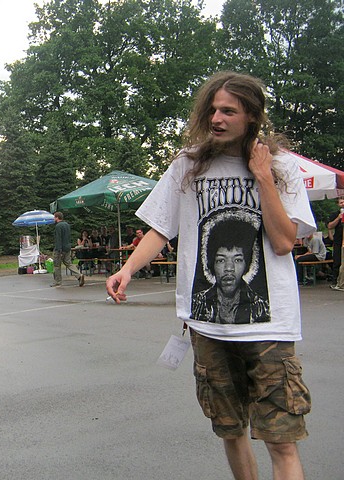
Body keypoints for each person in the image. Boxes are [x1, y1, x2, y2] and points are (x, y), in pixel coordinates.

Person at [106, 72, 313, 479]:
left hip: (269, 329)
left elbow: (284, 242)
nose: (216, 119)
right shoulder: (187, 165)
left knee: (281, 441)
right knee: (230, 431)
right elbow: (160, 228)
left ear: (252, 116)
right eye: (213, 110)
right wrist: (127, 269)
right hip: (207, 327)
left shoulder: (281, 166)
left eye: (228, 111)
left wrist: (263, 175)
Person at [51, 212, 85, 287]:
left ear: (57, 217)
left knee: (57, 265)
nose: (54, 219)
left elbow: (58, 238)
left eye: (54, 217)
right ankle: (79, 275)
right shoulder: (67, 225)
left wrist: (59, 250)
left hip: (60, 248)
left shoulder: (58, 226)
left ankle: (58, 281)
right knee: (68, 263)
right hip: (67, 247)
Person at [326, 197, 344, 284]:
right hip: (338, 241)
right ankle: (335, 281)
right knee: (337, 261)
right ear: (338, 204)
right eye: (341, 203)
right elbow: (329, 226)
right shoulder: (335, 214)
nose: (343, 204)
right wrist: (338, 218)